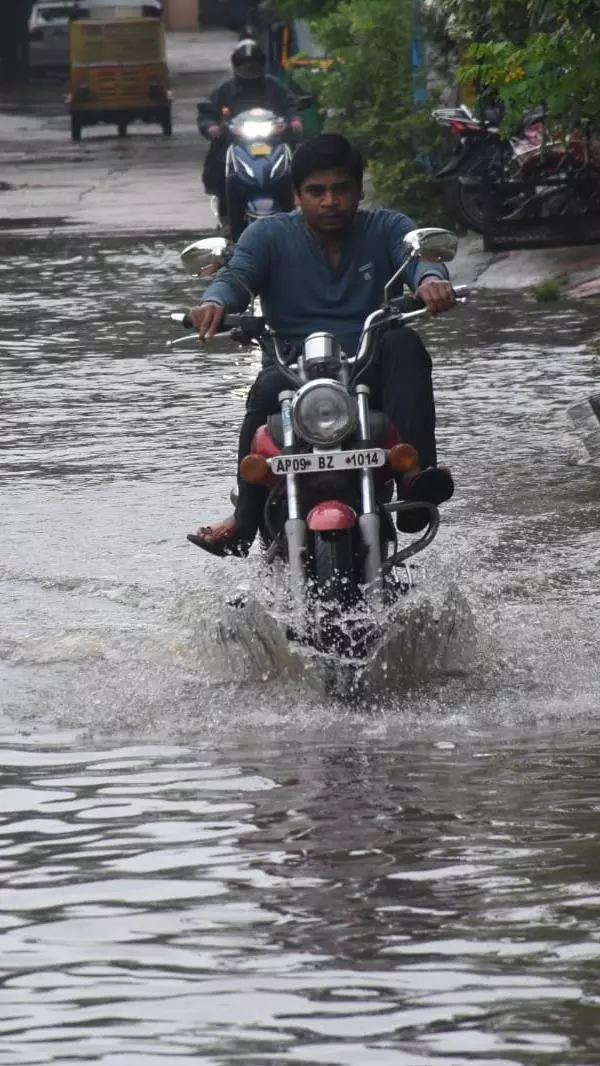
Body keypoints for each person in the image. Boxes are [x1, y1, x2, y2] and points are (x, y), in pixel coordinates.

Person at [187, 133, 456, 557]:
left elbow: (419, 259)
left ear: (359, 191)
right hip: (294, 372)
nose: (329, 201)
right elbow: (236, 277)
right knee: (263, 392)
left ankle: (413, 476)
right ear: (296, 195)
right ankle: (245, 520)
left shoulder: (387, 227)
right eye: (316, 191)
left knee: (404, 343)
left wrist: (431, 282)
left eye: (340, 189)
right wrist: (214, 302)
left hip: (370, 369)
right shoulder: (267, 236)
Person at [198, 38, 303, 228]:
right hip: (236, 144)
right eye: (245, 64)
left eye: (253, 64)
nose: (249, 68)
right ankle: (227, 218)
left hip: (273, 143)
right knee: (220, 166)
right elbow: (207, 112)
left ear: (261, 64)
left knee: (298, 167)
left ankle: (293, 215)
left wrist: (294, 120)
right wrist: (211, 126)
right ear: (236, 65)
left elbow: (292, 104)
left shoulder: (274, 86)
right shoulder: (225, 90)